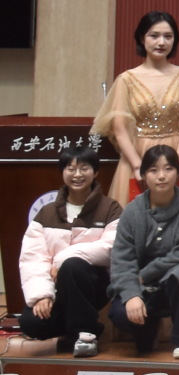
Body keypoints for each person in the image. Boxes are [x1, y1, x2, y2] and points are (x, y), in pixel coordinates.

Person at [10, 142, 123, 358]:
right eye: (70, 169)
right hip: (57, 289)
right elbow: (33, 258)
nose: (77, 174)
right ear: (63, 173)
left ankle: (86, 334)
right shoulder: (46, 213)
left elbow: (110, 248)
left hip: (95, 286)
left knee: (72, 265)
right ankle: (74, 331)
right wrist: (42, 295)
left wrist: (60, 260)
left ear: (95, 172)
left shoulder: (110, 208)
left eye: (84, 168)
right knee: (31, 323)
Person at [108, 146, 179, 358]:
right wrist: (132, 295)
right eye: (154, 170)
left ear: (178, 173)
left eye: (168, 168)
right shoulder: (132, 211)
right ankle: (147, 332)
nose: (162, 176)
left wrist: (146, 273)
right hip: (143, 286)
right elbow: (122, 260)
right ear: (143, 175)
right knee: (119, 313)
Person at [95, 11, 179, 203]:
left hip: (176, 153)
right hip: (137, 155)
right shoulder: (126, 79)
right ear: (141, 38)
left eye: (168, 36)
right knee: (136, 214)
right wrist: (138, 165)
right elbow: (119, 129)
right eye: (154, 36)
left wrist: (176, 163)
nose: (161, 42)